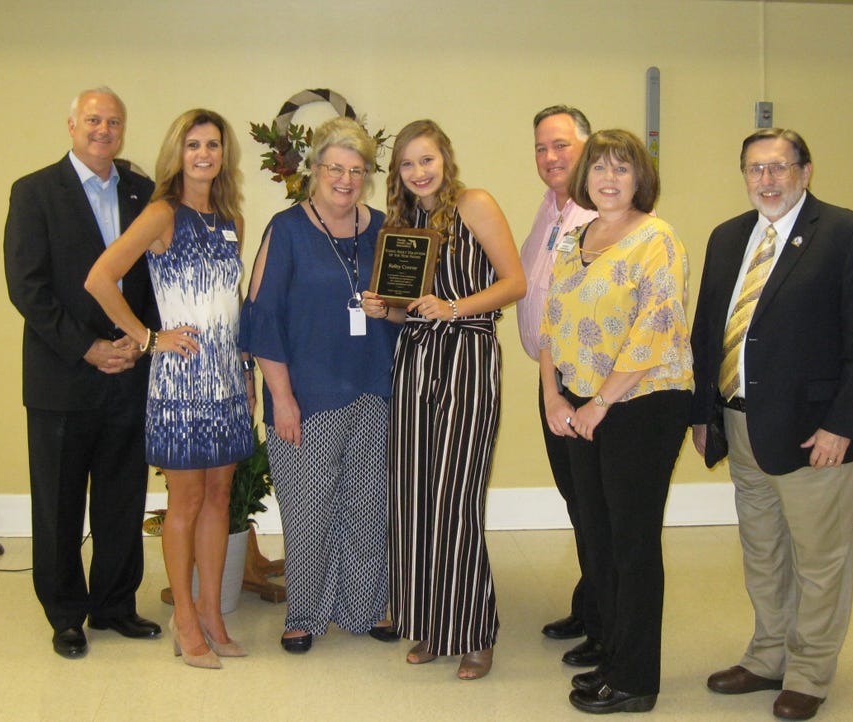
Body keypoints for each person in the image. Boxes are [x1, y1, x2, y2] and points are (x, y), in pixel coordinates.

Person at [690, 128, 853, 721]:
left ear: (805, 172)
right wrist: (703, 413)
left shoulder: (848, 234)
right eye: (755, 169)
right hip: (740, 423)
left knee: (819, 559)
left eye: (779, 167)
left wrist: (843, 426)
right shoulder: (728, 237)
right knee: (763, 551)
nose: (767, 180)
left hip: (813, 433)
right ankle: (767, 655)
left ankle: (809, 672)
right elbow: (708, 330)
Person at [85, 108, 254, 669]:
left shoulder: (231, 219)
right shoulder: (162, 213)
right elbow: (99, 278)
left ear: (224, 155)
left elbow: (231, 302)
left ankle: (212, 612)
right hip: (181, 380)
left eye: (213, 145)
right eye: (193, 144)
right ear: (177, 153)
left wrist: (246, 370)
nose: (204, 154)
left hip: (227, 378)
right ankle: (184, 618)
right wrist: (148, 337)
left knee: (220, 496)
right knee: (186, 501)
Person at [361, 119, 526, 681]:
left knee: (455, 498)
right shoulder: (403, 226)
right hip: (415, 360)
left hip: (467, 358)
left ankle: (474, 633)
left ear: (445, 160)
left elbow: (515, 282)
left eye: (426, 159)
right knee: (413, 496)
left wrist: (454, 308)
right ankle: (431, 624)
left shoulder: (474, 205)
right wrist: (385, 309)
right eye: (407, 163)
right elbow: (411, 312)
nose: (418, 172)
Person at [3, 87, 162, 659]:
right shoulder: (34, 192)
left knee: (122, 498)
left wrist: (141, 341)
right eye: (93, 120)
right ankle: (66, 614)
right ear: (72, 125)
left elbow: (156, 280)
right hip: (62, 377)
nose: (103, 130)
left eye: (113, 121)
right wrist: (88, 347)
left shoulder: (143, 192)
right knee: (59, 504)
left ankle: (115, 605)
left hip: (129, 373)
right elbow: (28, 288)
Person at [539, 129, 693, 714]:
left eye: (621, 168)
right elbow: (551, 323)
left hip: (642, 405)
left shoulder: (658, 239)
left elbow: (657, 329)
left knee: (632, 542)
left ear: (639, 179)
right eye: (599, 167)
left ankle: (635, 680)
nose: (608, 178)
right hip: (581, 403)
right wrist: (554, 397)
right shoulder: (573, 239)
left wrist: (599, 403)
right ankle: (612, 654)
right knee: (598, 534)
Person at [239, 117, 400, 655]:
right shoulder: (287, 230)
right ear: (314, 169)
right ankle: (304, 613)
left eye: (357, 170)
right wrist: (282, 398)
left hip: (374, 386)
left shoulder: (384, 229)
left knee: (368, 503)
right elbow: (261, 317)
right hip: (306, 394)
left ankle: (366, 606)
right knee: (308, 510)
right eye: (335, 167)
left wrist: (389, 308)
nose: (346, 179)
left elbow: (407, 309)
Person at [516, 105, 602, 666]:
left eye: (561, 145)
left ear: (587, 147)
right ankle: (591, 603)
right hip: (554, 379)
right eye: (542, 148)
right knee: (579, 502)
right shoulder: (550, 209)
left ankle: (606, 623)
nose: (550, 157)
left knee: (598, 507)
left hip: (591, 385)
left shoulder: (603, 211)